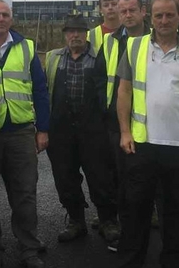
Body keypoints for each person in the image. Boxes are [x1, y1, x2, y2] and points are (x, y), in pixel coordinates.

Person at [115, 0, 179, 268]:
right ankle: (130, 262)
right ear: (151, 17)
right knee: (135, 211)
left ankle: (176, 262)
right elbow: (123, 91)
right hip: (143, 144)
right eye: (158, 15)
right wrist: (124, 131)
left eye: (169, 15)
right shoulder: (135, 47)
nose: (164, 20)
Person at [0, 0, 50, 268]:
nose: (0, 19)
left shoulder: (26, 46)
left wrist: (42, 128)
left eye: (5, 15)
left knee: (25, 193)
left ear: (11, 19)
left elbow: (40, 90)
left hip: (21, 131)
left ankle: (29, 248)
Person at [44, 14, 119, 247]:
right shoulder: (53, 58)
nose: (74, 35)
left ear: (87, 34)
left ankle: (108, 221)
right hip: (62, 132)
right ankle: (76, 221)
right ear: (65, 34)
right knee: (65, 179)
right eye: (70, 31)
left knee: (101, 178)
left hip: (94, 130)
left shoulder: (101, 58)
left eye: (79, 31)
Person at [99, 0, 150, 251]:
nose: (127, 15)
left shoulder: (156, 38)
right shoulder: (109, 42)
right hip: (117, 122)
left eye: (132, 10)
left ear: (143, 11)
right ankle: (128, 234)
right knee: (123, 180)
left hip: (151, 122)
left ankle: (157, 230)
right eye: (123, 11)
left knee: (155, 181)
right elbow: (100, 78)